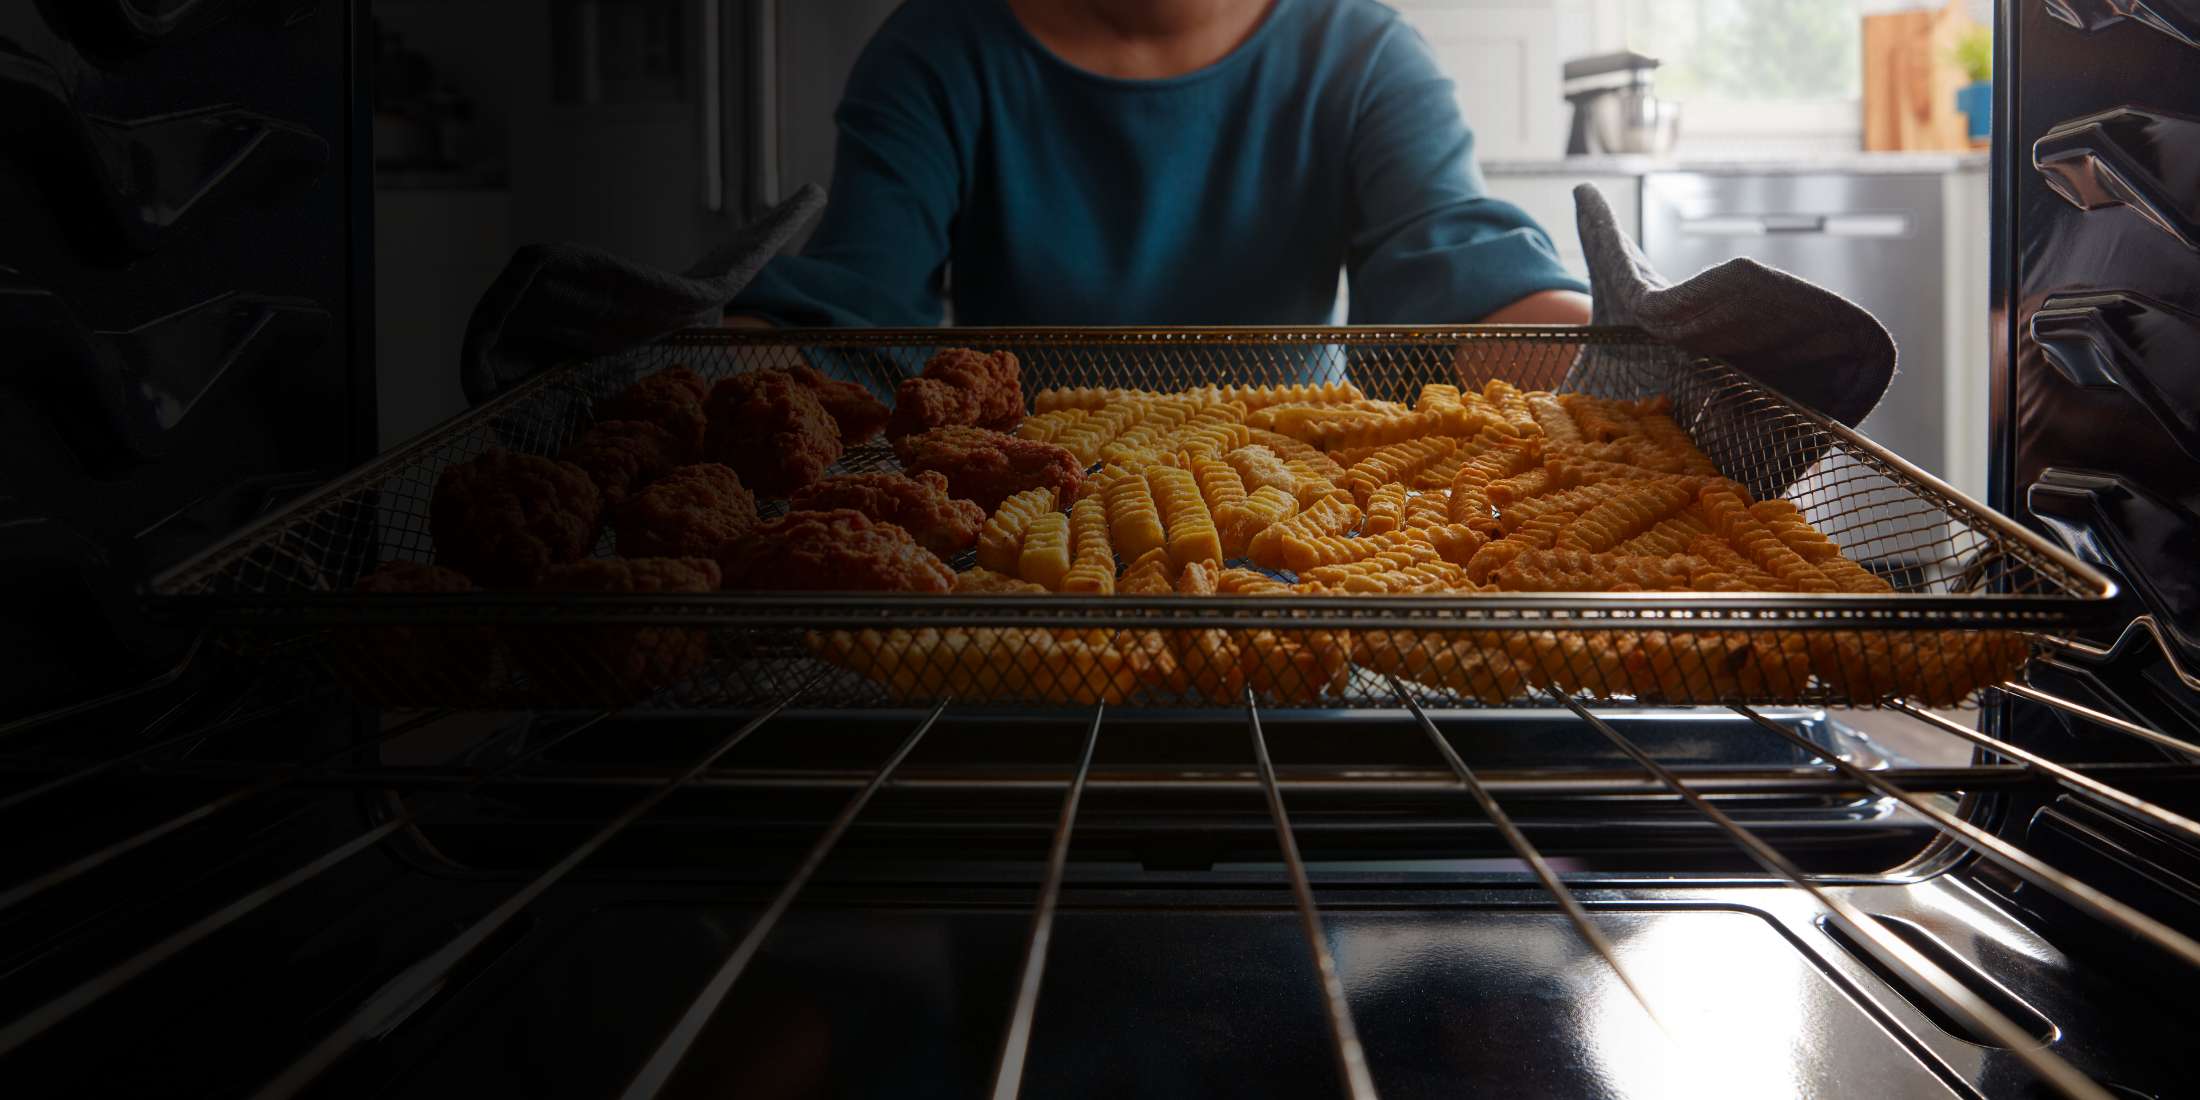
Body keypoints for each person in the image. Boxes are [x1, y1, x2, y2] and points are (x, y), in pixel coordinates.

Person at [728, 0, 1591, 329]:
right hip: (1018, 543)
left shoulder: (1362, 52)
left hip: (1291, 532)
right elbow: (854, 305)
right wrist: (700, 363)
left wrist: (1630, 356)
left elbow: (1465, 272)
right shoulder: (935, 49)